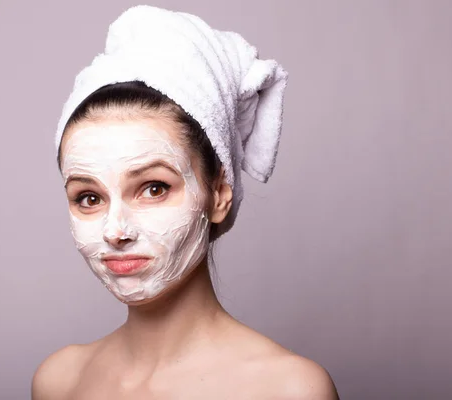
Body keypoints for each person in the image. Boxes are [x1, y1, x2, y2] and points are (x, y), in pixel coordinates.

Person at [32, 6, 339, 399]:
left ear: (219, 194)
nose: (115, 231)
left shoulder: (289, 389)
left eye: (154, 188)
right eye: (88, 197)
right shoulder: (59, 381)